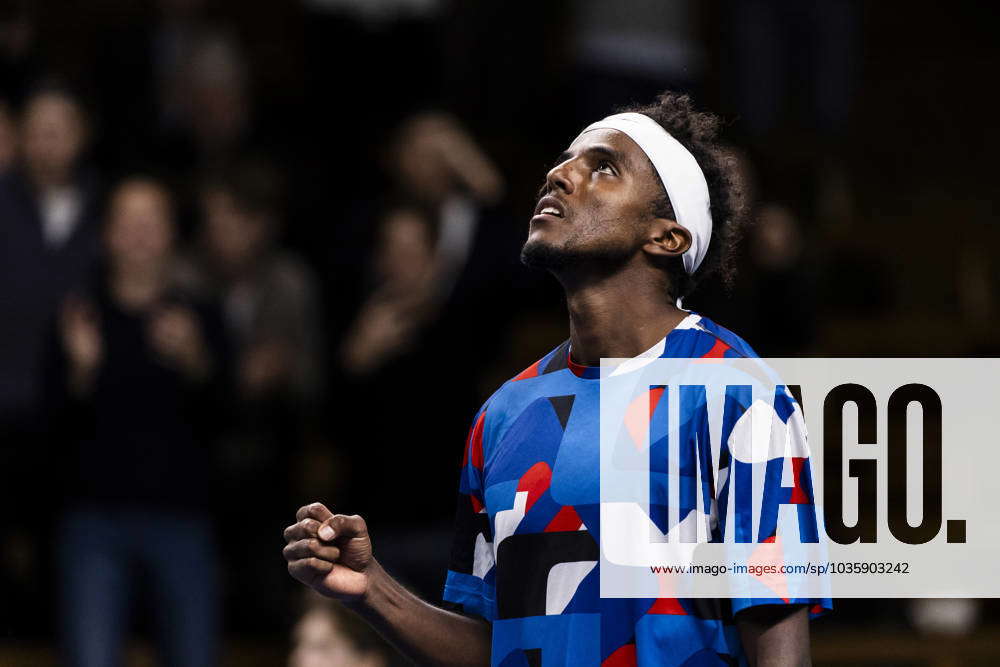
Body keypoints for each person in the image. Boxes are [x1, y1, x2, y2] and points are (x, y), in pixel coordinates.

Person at [283, 92, 830, 665]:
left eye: (603, 168)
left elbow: (779, 647)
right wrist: (372, 588)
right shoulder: (503, 414)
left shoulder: (739, 393)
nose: (561, 174)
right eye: (566, 160)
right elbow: (494, 648)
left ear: (666, 236)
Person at [50, 177, 228, 667]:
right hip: (93, 518)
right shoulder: (79, 315)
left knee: (194, 655)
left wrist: (196, 361)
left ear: (171, 233)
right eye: (127, 224)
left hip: (184, 517)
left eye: (151, 223)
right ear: (106, 233)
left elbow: (232, 421)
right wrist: (82, 370)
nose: (139, 236)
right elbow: (49, 428)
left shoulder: (201, 315)